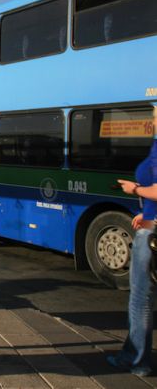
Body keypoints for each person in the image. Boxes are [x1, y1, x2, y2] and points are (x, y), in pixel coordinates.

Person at [108, 104, 157, 377]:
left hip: (150, 236)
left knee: (140, 300)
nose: (151, 120)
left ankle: (136, 360)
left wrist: (135, 188)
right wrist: (145, 213)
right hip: (150, 223)